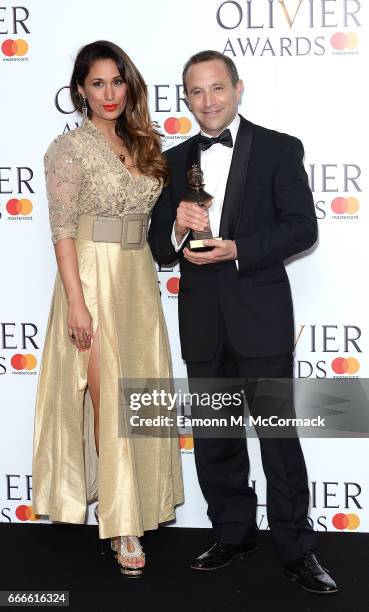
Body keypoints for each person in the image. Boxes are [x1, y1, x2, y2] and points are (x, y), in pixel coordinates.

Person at [148, 50, 338, 593]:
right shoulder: (173, 160)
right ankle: (233, 534)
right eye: (196, 92)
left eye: (217, 89)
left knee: (279, 438)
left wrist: (237, 248)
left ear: (238, 88)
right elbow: (160, 248)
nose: (208, 102)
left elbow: (302, 229)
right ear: (186, 98)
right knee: (214, 439)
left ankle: (297, 549)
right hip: (204, 324)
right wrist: (179, 230)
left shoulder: (279, 148)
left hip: (262, 317)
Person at [32, 40, 183, 578]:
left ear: (129, 85)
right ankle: (122, 527)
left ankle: (137, 505)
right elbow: (63, 232)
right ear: (80, 90)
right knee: (108, 405)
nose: (109, 93)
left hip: (138, 279)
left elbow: (157, 227)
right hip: (92, 281)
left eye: (117, 81)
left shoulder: (145, 144)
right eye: (97, 83)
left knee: (139, 401)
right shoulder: (67, 150)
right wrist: (76, 303)